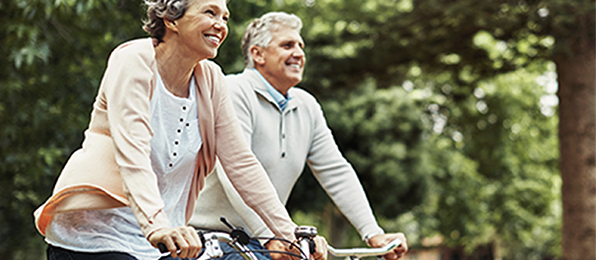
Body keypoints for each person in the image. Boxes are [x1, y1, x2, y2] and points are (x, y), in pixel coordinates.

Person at [33, 2, 327, 260]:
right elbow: (133, 152)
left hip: (160, 244)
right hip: (93, 237)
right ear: (171, 19)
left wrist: (291, 234)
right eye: (210, 12)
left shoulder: (211, 79)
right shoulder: (134, 59)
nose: (221, 25)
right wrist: (157, 225)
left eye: (225, 16)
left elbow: (241, 164)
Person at [189, 11, 409, 260]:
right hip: (212, 238)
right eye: (287, 45)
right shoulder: (233, 91)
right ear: (257, 54)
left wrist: (373, 233)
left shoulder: (307, 106)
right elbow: (235, 169)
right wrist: (271, 235)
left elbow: (336, 171)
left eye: (301, 46)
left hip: (267, 240)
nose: (299, 53)